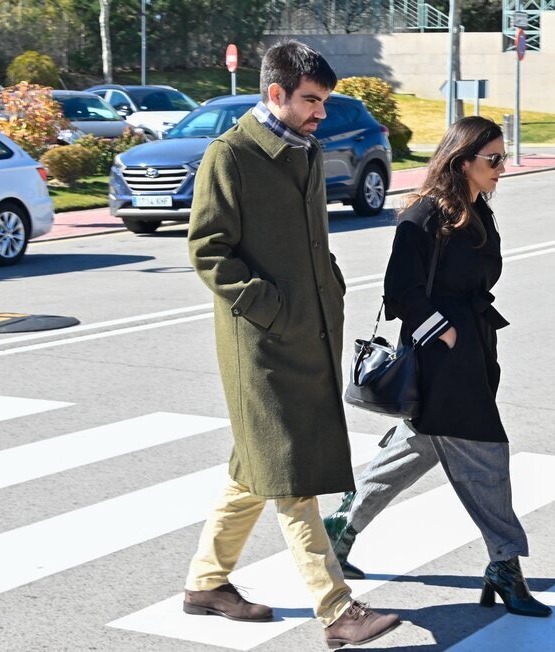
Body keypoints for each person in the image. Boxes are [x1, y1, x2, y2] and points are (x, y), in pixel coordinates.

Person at [183, 40, 399, 648]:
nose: (321, 113)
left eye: (325, 101)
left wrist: (325, 292)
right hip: (262, 344)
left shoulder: (303, 149)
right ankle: (337, 611)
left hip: (307, 330)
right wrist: (272, 310)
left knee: (253, 466)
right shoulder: (232, 155)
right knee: (290, 473)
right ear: (274, 93)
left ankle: (206, 582)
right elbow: (207, 250)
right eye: (311, 100)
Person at [324, 116, 551, 618]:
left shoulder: (476, 211)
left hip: (472, 349)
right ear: (462, 160)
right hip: (440, 359)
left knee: (419, 444)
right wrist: (443, 332)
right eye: (492, 159)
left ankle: (341, 527)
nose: (501, 166)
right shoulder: (423, 216)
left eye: (502, 157)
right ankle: (505, 563)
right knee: (486, 454)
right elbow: (400, 292)